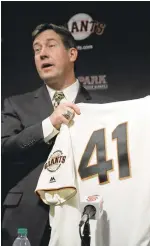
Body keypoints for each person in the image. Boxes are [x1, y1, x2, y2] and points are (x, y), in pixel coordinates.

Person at [1, 23, 113, 246]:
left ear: (72, 53)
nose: (42, 53)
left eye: (50, 46)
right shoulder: (16, 104)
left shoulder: (102, 108)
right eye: (36, 49)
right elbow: (4, 149)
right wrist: (49, 124)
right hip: (27, 219)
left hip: (83, 216)